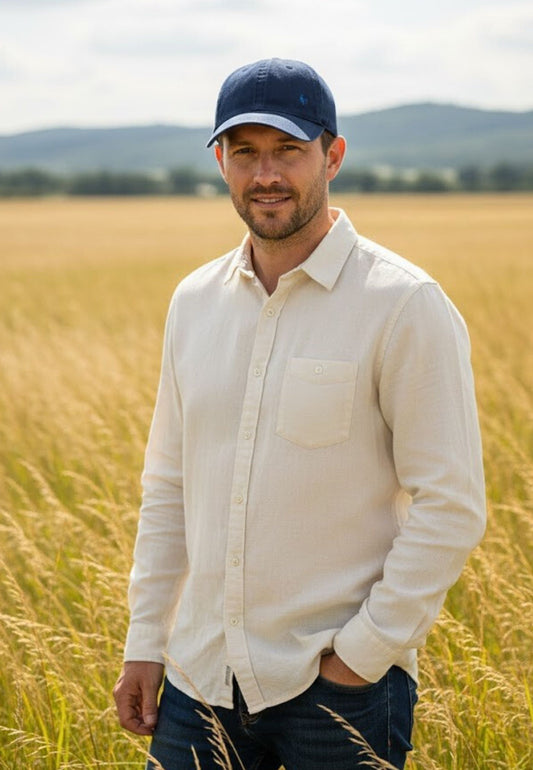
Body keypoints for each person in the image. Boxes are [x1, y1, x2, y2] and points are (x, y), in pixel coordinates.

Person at [113, 58, 486, 770]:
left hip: (336, 693)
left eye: (288, 149)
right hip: (198, 682)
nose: (265, 175)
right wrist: (145, 641)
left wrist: (361, 657)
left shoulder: (403, 304)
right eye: (244, 152)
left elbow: (452, 505)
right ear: (220, 161)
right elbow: (167, 489)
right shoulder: (193, 302)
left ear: (332, 155)